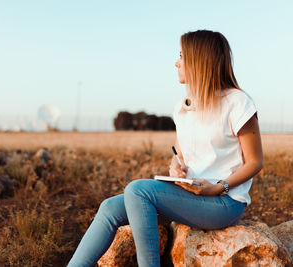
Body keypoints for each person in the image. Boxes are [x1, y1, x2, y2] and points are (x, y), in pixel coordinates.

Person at [67, 30, 263, 267]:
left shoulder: (238, 103)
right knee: (109, 208)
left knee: (138, 190)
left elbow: (254, 161)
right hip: (190, 196)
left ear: (200, 60)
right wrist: (176, 167)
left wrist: (218, 187)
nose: (176, 62)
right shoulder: (183, 107)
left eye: (182, 56)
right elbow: (181, 155)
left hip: (224, 202)